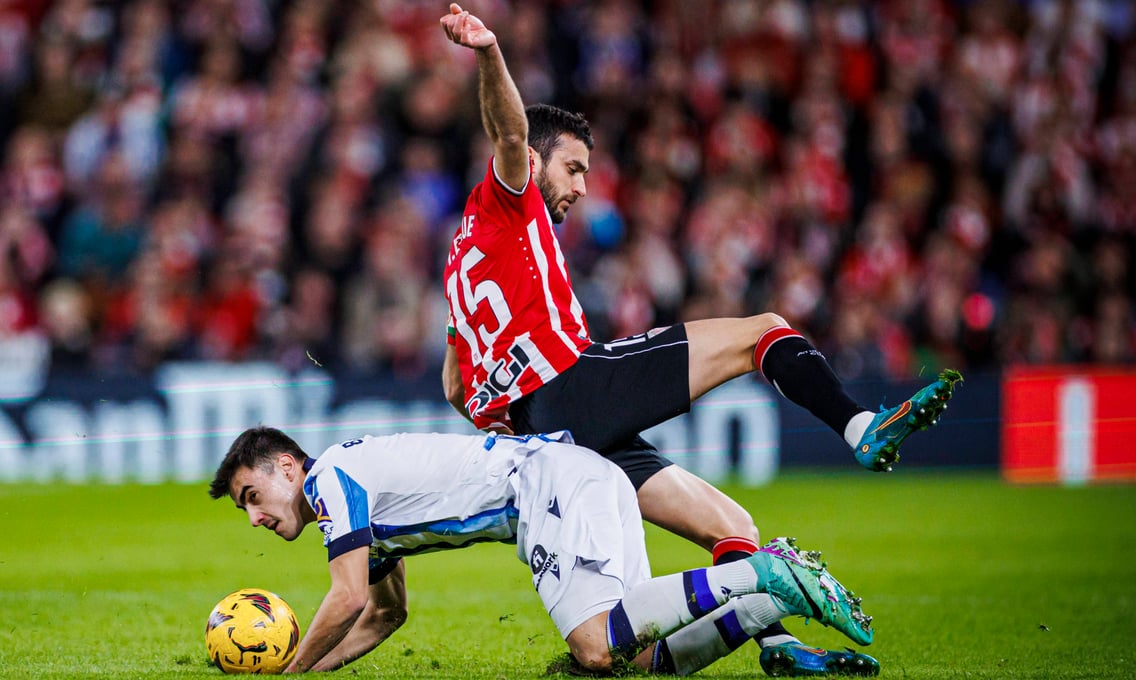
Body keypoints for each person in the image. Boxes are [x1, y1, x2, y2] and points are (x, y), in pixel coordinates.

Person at [438, 4, 960, 675]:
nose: (582, 187)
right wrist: (488, 51)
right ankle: (861, 427)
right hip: (572, 383)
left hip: (547, 439)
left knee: (732, 528)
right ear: (534, 161)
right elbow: (511, 131)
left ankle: (777, 647)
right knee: (764, 332)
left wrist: (515, 425)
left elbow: (455, 386)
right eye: (573, 168)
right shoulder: (511, 198)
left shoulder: (461, 255)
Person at [209, 426, 875, 675]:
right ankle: (761, 607)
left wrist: (289, 672)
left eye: (251, 495)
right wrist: (312, 668)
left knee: (593, 645)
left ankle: (763, 569)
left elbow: (347, 594)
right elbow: (383, 612)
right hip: (575, 480)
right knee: (638, 657)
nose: (254, 518)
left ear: (288, 467)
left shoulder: (329, 480)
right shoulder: (358, 509)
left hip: (548, 488)